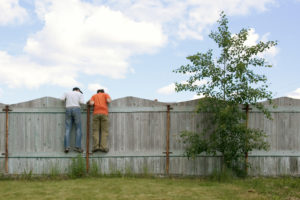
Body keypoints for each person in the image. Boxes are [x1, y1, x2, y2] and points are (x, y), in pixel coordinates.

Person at [62, 87, 84, 153]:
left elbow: (62, 99)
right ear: (78, 90)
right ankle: (77, 147)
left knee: (68, 129)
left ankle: (66, 147)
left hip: (68, 109)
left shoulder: (66, 92)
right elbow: (81, 102)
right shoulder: (80, 94)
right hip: (76, 109)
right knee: (78, 128)